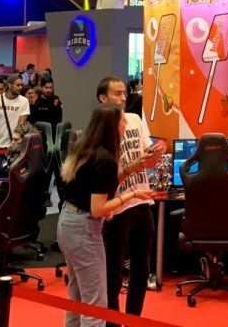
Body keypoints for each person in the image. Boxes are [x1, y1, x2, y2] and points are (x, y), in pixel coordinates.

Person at [58, 105, 152, 327]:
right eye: (122, 121)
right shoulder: (106, 159)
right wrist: (131, 195)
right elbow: (98, 208)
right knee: (95, 305)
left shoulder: (86, 149)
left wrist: (129, 170)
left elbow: (97, 189)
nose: (126, 124)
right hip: (84, 231)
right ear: (113, 126)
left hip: (68, 223)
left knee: (78, 298)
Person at [97, 76, 165, 326]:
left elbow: (149, 159)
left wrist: (156, 153)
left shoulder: (135, 119)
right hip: (115, 206)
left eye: (124, 93)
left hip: (142, 200)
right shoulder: (100, 129)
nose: (123, 98)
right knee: (113, 273)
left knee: (141, 269)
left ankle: (133, 319)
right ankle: (112, 322)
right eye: (117, 94)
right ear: (103, 98)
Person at [0, 76, 31, 174]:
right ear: (9, 85)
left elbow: (21, 124)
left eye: (21, 85)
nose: (20, 87)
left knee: (12, 175)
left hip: (13, 146)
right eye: (18, 85)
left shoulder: (24, 101)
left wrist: (14, 143)